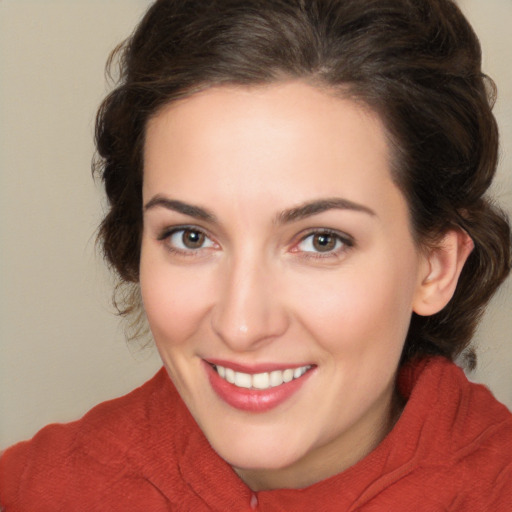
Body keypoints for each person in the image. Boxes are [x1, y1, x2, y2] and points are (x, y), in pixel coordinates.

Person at [1, 0, 511, 510]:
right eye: (191, 237)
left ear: (435, 267)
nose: (242, 325)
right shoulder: (31, 491)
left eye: (321, 241)